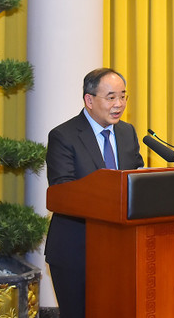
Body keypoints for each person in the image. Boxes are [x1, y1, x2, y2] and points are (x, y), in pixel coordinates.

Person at [44, 68, 144, 318]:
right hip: (76, 249)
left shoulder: (127, 132)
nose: (119, 104)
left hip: (121, 248)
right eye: (111, 97)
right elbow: (62, 191)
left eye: (123, 96)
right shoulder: (63, 136)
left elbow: (137, 176)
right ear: (89, 100)